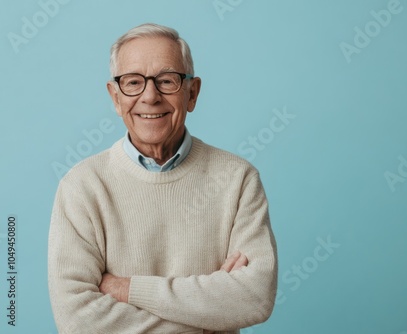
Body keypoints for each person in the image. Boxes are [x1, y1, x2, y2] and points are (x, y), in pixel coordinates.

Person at [48, 23, 277, 334]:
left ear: (192, 93)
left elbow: (254, 299)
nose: (150, 96)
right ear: (115, 97)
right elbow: (77, 321)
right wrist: (209, 315)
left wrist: (128, 290)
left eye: (167, 81)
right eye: (132, 82)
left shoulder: (238, 179)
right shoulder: (82, 186)